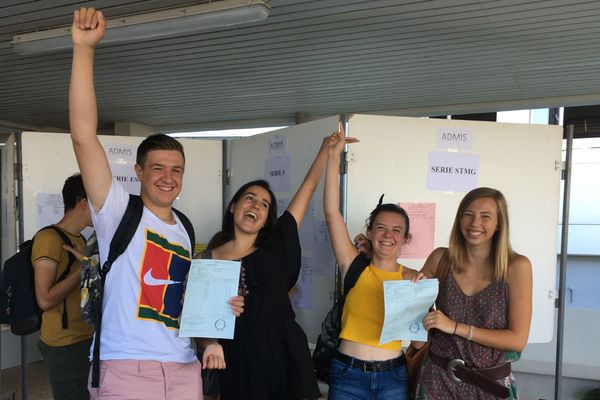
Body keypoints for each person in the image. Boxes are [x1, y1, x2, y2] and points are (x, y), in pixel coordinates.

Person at [69, 8, 243, 399]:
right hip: (125, 367)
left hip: (183, 368)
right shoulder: (117, 211)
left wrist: (213, 327)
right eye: (158, 168)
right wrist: (84, 50)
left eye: (176, 169)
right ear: (139, 171)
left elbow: (185, 303)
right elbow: (82, 136)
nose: (168, 177)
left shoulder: (184, 227)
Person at [200, 126, 353, 400]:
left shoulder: (277, 244)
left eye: (264, 204)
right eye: (250, 198)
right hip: (238, 358)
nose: (256, 206)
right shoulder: (207, 259)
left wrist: (326, 151)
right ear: (233, 206)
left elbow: (308, 188)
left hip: (284, 353)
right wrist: (211, 340)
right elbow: (197, 320)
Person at [323, 128, 423, 400]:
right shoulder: (353, 265)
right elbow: (332, 213)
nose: (387, 235)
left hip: (394, 376)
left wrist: (419, 300)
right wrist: (333, 156)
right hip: (347, 374)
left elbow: (418, 342)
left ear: (405, 238)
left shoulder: (413, 279)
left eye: (396, 230)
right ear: (370, 231)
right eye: (380, 227)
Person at [415, 187, 532, 399]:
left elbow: (517, 340)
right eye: (468, 214)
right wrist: (377, 255)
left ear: (499, 224)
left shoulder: (517, 267)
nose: (474, 223)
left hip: (490, 385)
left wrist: (455, 327)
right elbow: (411, 301)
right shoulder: (440, 259)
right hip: (438, 380)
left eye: (485, 216)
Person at [32, 173, 94, 400]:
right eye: (98, 201)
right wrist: (84, 269)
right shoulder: (49, 239)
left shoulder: (81, 239)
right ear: (83, 203)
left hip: (84, 337)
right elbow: (45, 299)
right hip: (64, 344)